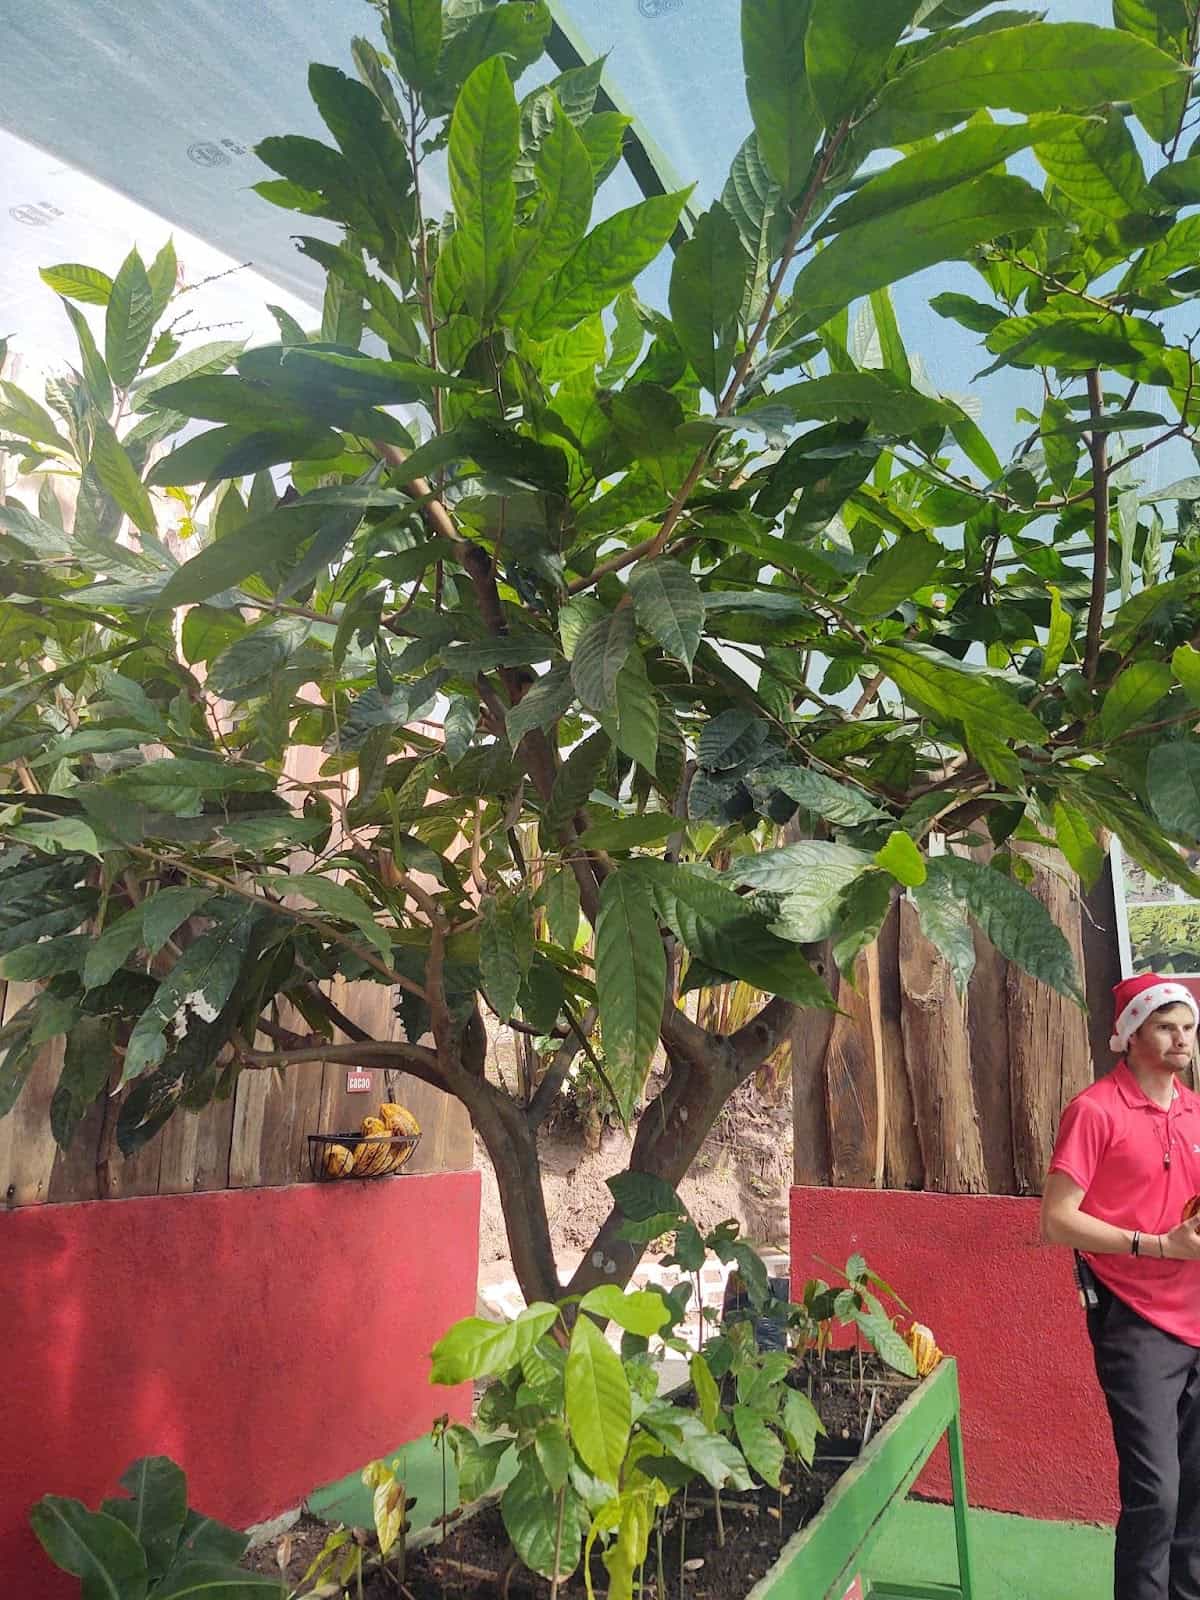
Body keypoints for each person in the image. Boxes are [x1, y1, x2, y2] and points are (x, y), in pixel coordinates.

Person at [1042, 973, 1200, 1600]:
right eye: (1166, 1026)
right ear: (1131, 1035)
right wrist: (1158, 1246)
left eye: (1188, 1027)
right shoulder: (1095, 1110)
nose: (1181, 1039)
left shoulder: (1194, 1110)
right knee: (1155, 1493)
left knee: (1196, 1493)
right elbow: (1056, 1222)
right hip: (1136, 1320)